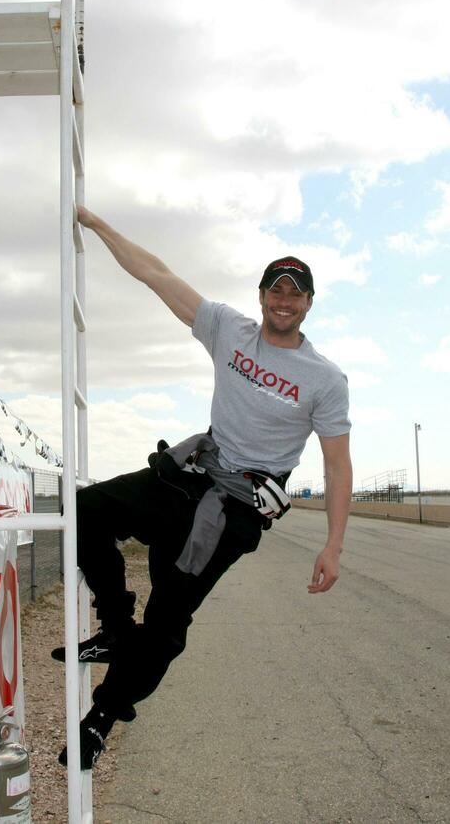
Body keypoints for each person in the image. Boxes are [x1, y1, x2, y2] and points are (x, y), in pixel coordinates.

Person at [56, 206, 352, 770]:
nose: (283, 301)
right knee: (85, 508)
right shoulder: (228, 328)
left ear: (309, 303)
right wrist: (99, 225)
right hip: (188, 479)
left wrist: (333, 545)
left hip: (235, 512)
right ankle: (114, 628)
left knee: (167, 624)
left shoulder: (325, 379)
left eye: (296, 294)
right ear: (262, 294)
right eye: (275, 290)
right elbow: (157, 274)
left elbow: (338, 466)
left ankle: (101, 719)